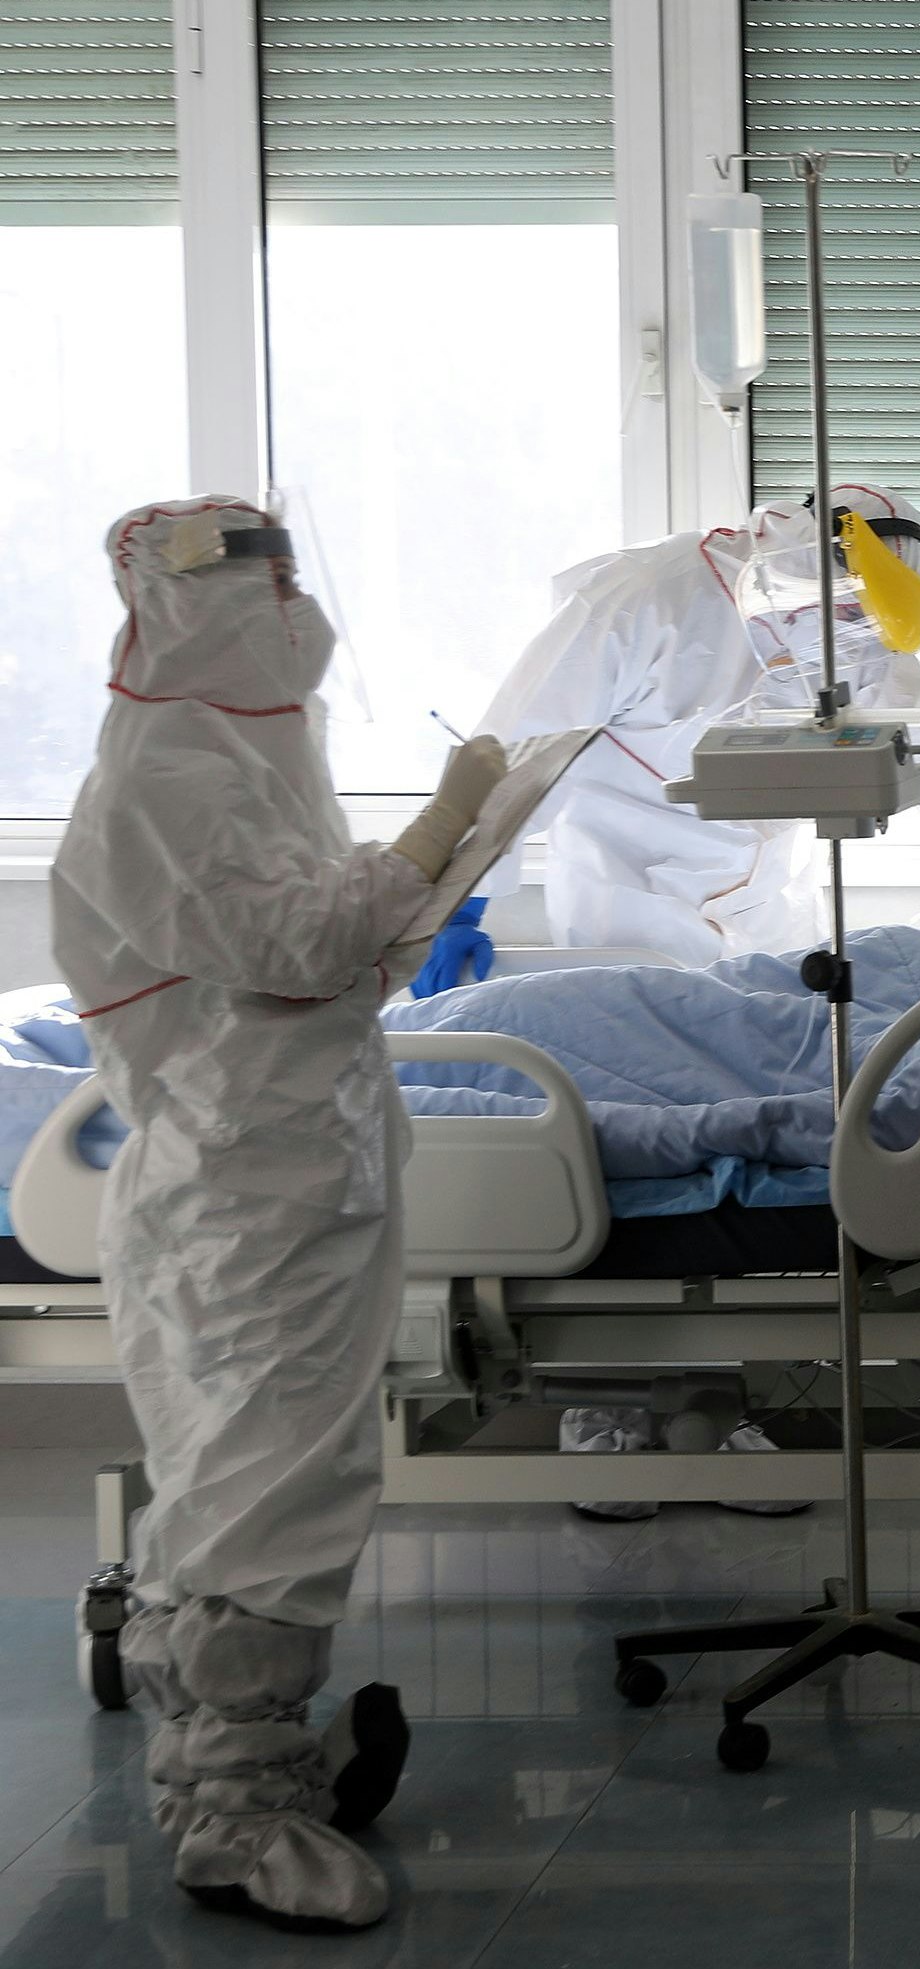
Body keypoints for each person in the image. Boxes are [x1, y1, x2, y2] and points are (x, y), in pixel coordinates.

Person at [52, 498, 502, 1932]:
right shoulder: (166, 771)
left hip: (287, 1173)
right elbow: (299, 940)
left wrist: (431, 869)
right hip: (242, 1201)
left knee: (239, 1499)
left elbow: (310, 937)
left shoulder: (244, 747)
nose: (291, 601)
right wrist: (441, 823)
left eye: (291, 570)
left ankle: (243, 1770)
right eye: (258, 581)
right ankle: (234, 1826)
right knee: (271, 1512)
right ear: (174, 605)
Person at [410, 482, 920, 989]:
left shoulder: (857, 633)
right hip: (627, 900)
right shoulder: (645, 599)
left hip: (771, 905)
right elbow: (517, 749)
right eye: (850, 615)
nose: (857, 642)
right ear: (813, 565)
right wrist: (460, 901)